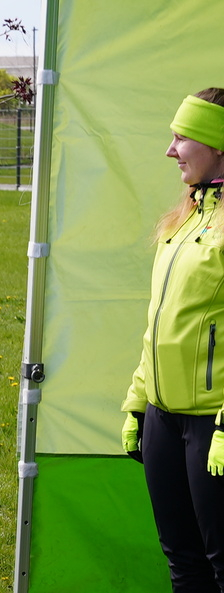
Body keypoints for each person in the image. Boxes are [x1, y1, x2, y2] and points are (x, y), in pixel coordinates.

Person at [122, 88, 224, 592]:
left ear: (218, 142)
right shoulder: (183, 217)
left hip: (216, 425)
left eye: (181, 136)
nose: (170, 150)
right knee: (183, 562)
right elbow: (159, 323)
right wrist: (138, 403)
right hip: (164, 420)